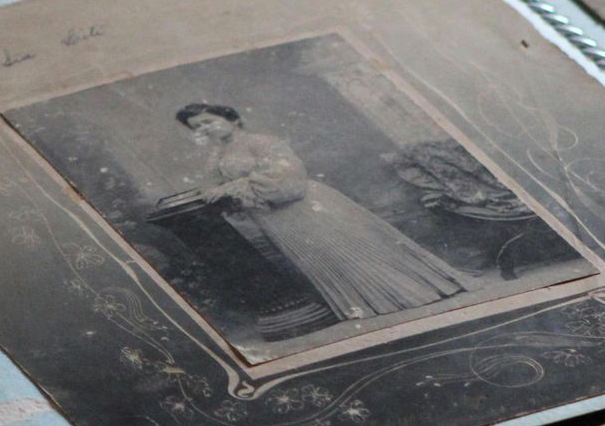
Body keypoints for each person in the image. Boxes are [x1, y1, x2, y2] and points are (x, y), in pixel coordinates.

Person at [175, 102, 469, 321]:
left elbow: (286, 180)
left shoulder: (260, 141)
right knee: (326, 259)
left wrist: (228, 189)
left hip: (303, 207)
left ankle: (413, 295)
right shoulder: (220, 154)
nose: (204, 129)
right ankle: (376, 305)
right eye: (197, 127)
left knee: (349, 251)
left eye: (208, 121)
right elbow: (217, 183)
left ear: (233, 119)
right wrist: (219, 190)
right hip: (274, 217)